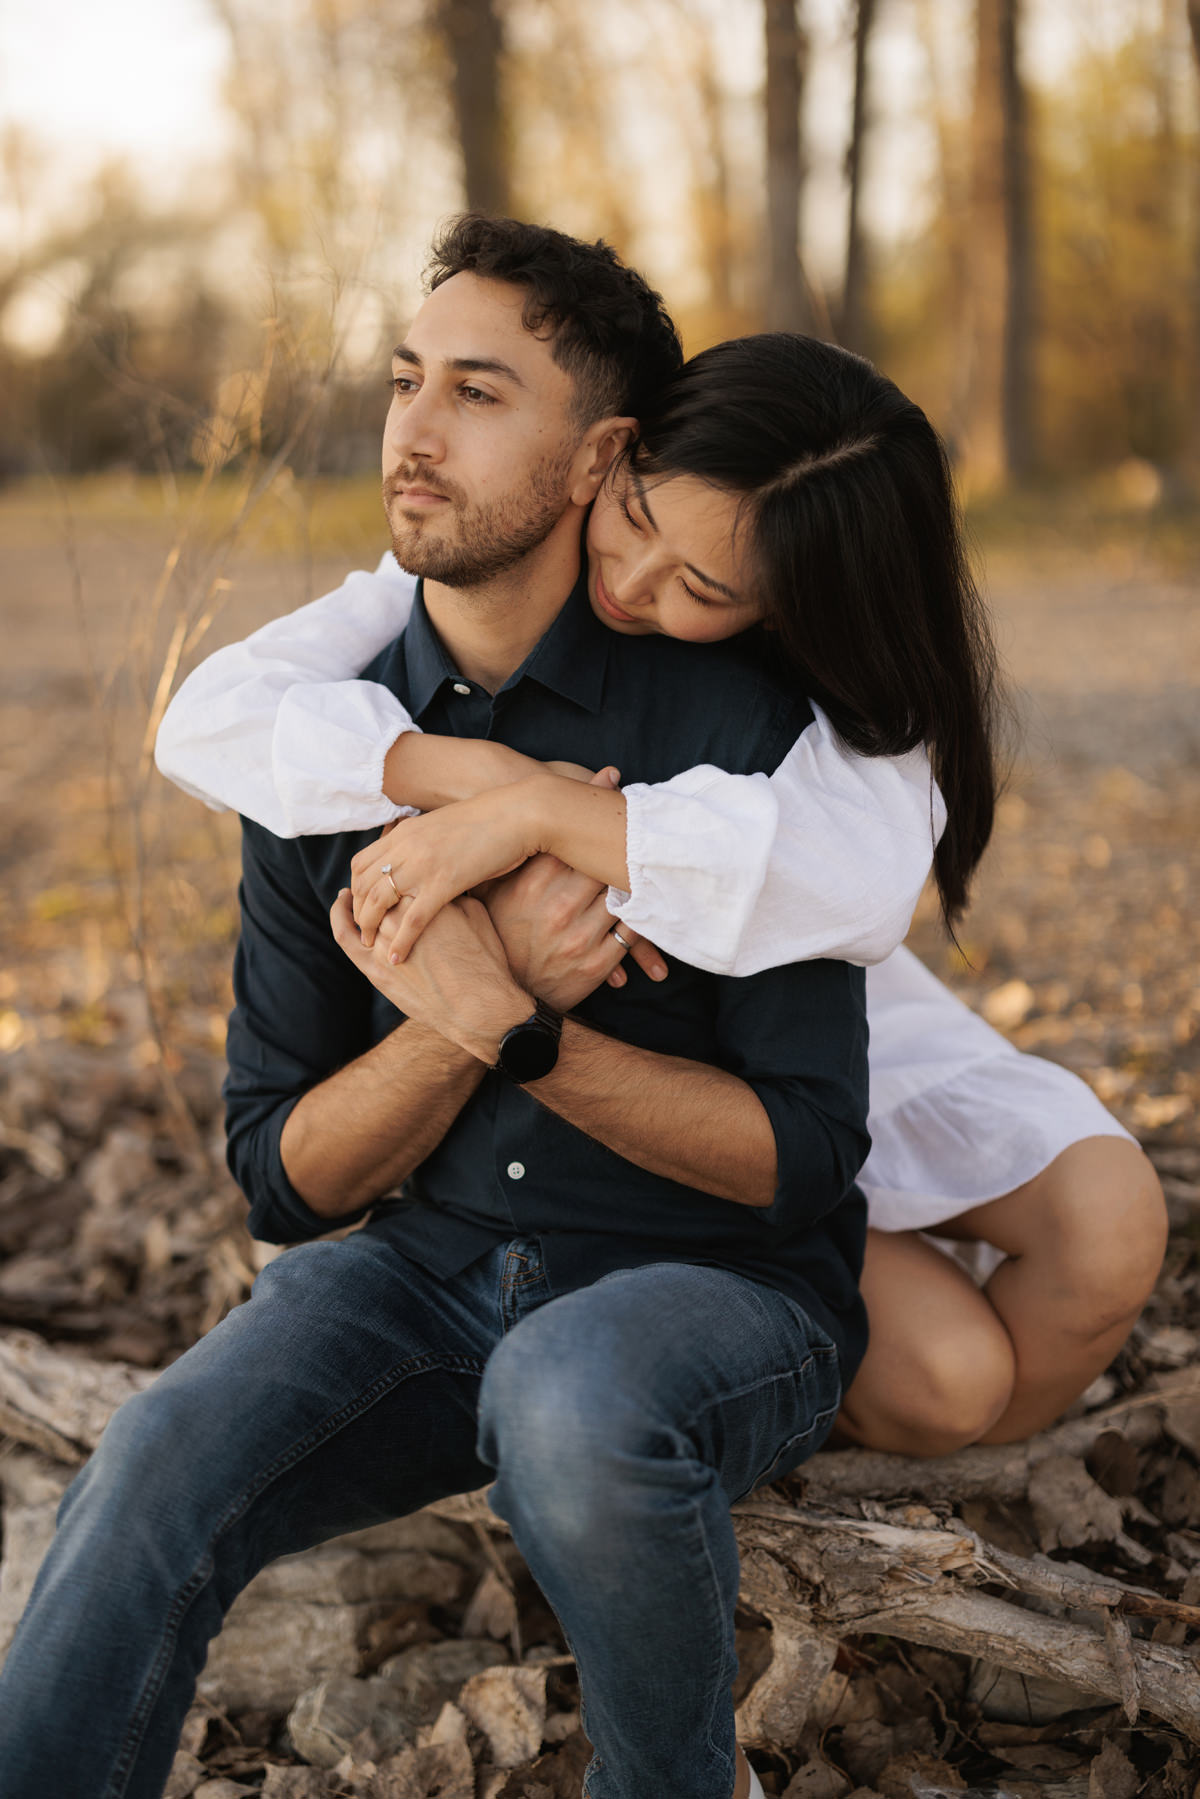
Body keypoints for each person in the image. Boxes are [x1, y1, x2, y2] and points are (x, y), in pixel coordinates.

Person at [0, 217, 880, 1799]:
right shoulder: (322, 749)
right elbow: (283, 1176)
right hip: (426, 1274)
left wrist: (546, 1038)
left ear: (602, 453)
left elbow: (802, 1162)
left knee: (571, 1390)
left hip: (719, 1287)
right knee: (150, 1462)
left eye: (479, 391)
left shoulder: (744, 739)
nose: (413, 426)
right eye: (409, 378)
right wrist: (471, 1014)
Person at [157, 275, 1166, 1459]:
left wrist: (539, 811)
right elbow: (205, 723)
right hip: (658, 1053)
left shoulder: (804, 705)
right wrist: (462, 778)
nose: (631, 585)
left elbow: (856, 889)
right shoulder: (439, 586)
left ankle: (942, 1493)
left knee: (1106, 1225)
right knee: (945, 1375)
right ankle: (706, 1423)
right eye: (635, 518)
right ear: (611, 458)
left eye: (701, 589)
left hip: (805, 973)